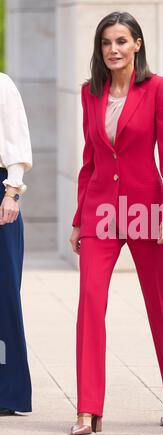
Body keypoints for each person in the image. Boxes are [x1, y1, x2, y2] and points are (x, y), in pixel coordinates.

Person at [69, 11, 163, 435]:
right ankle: (87, 408)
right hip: (100, 210)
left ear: (137, 43)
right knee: (90, 304)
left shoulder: (157, 89)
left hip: (146, 211)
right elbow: (90, 160)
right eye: (106, 43)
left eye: (121, 41)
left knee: (162, 305)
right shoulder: (90, 93)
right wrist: (80, 219)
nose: (113, 50)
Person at [0, 73, 32, 415]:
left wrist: (12, 192)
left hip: (1, 198)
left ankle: (7, 392)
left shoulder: (1, 85)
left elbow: (17, 144)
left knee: (3, 295)